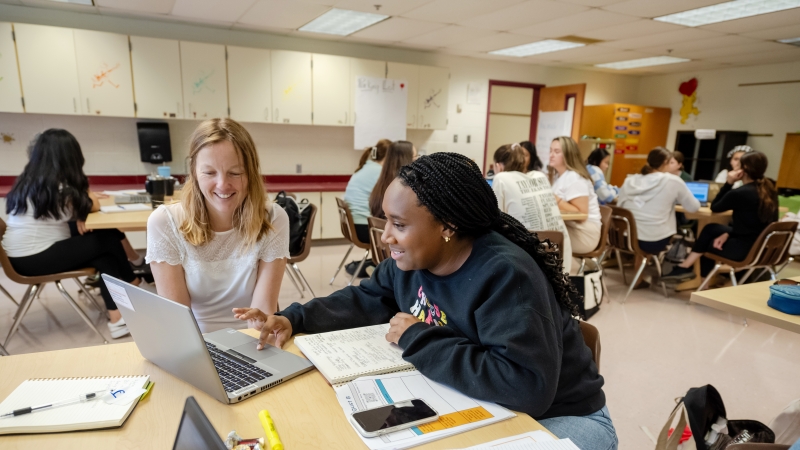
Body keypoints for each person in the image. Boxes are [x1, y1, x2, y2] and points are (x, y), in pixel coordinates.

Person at [235, 153, 617, 450]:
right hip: (485, 404)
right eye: (386, 221)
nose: (386, 237)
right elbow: (367, 297)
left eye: (399, 225)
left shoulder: (505, 276)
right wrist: (293, 319)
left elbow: (526, 386)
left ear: (448, 226)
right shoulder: (411, 261)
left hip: (564, 419)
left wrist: (419, 337)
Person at [2, 129, 151, 339]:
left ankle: (118, 315)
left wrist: (81, 209)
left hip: (21, 256)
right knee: (105, 239)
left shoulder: (31, 182)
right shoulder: (59, 189)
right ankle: (135, 283)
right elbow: (94, 204)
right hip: (33, 258)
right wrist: (82, 198)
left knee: (104, 251)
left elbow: (82, 207)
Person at [146, 118, 289, 333]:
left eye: (235, 172)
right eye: (209, 172)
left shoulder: (272, 218)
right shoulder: (164, 223)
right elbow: (178, 324)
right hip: (195, 343)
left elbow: (261, 316)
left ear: (250, 173)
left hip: (250, 339)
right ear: (194, 172)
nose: (223, 184)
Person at [663, 151, 778, 281]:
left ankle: (699, 280)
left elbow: (715, 207)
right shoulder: (770, 191)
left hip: (745, 250)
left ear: (743, 169)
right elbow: (753, 225)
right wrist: (728, 234)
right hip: (765, 248)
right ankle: (686, 267)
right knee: (711, 229)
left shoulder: (740, 193)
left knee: (708, 243)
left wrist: (729, 183)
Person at [617, 148, 700, 287]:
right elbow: (694, 207)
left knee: (643, 228)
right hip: (653, 241)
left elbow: (620, 206)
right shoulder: (674, 181)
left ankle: (638, 278)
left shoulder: (630, 180)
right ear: (666, 163)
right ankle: (673, 271)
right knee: (654, 230)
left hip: (625, 239)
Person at [492, 144, 572, 273]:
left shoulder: (501, 178)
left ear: (498, 166)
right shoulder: (541, 176)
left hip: (526, 255)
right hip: (559, 254)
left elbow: (495, 219)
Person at [549, 136, 603, 271]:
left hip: (585, 234)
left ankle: (573, 275)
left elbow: (581, 214)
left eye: (556, 152)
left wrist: (553, 198)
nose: (551, 155)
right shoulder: (560, 176)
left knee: (544, 240)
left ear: (568, 155)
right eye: (550, 151)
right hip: (573, 229)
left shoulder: (575, 178)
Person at [343, 139, 390, 243]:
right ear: (389, 157)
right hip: (364, 228)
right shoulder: (379, 172)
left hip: (353, 226)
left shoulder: (365, 167)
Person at [368, 140, 417, 219]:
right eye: (415, 156)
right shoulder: (406, 189)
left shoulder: (381, 185)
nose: (417, 160)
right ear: (407, 160)